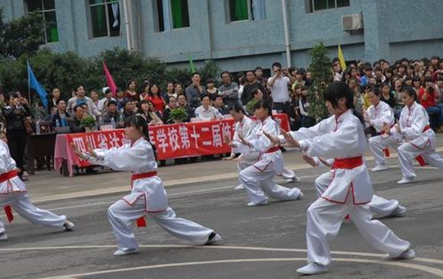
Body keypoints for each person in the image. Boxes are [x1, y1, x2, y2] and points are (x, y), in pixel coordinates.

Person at [265, 81, 414, 275]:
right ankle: (400, 248)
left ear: (342, 100)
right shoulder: (336, 120)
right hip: (348, 176)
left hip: (350, 178)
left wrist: (301, 144)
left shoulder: (350, 123)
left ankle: (318, 261)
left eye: (329, 100)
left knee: (315, 211)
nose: (327, 104)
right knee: (364, 220)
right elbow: (315, 131)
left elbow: (331, 142)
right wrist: (283, 139)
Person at [71, 115, 221, 256]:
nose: (126, 130)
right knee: (168, 219)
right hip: (149, 188)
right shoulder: (132, 145)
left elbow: (120, 158)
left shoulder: (143, 147)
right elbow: (114, 152)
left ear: (140, 128)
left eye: (129, 126)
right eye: (125, 126)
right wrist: (86, 155)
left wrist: (95, 155)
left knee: (115, 211)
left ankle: (128, 245)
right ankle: (207, 234)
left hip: (147, 189)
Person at [228, 98, 303, 206]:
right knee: (268, 186)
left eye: (258, 109)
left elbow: (265, 142)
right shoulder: (259, 126)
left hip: (271, 157)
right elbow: (250, 139)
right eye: (255, 109)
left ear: (266, 110)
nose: (256, 112)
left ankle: (259, 199)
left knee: (244, 175)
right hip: (266, 157)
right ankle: (294, 194)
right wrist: (235, 144)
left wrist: (249, 143)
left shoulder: (271, 124)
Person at [0, 131, 74, 241]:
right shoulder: (2, 144)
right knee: (30, 211)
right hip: (12, 184)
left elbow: (2, 165)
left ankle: (1, 232)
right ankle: (62, 222)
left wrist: (11, 169)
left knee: (29, 210)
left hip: (7, 184)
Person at [301, 155, 406, 218]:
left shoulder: (351, 124)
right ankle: (329, 214)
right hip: (340, 168)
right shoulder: (335, 124)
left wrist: (326, 161)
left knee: (357, 196)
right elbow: (327, 146)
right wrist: (315, 161)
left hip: (353, 168)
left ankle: (392, 207)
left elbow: (342, 148)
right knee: (321, 181)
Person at [384, 86, 443, 184]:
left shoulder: (420, 109)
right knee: (432, 158)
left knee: (402, 149)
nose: (403, 100)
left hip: (424, 136)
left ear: (412, 97)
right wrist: (390, 131)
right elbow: (399, 125)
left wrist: (402, 131)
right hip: (420, 138)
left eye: (405, 97)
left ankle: (408, 176)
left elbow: (416, 130)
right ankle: (408, 175)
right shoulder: (404, 110)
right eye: (402, 97)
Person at [2, 92, 32, 181]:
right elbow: (8, 115)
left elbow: (28, 113)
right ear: (8, 100)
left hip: (21, 132)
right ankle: (15, 173)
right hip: (12, 133)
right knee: (14, 153)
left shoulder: (20, 108)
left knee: (21, 152)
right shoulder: (6, 108)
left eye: (15, 98)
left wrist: (24, 105)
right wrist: (14, 106)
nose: (14, 100)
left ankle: (22, 171)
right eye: (12, 99)